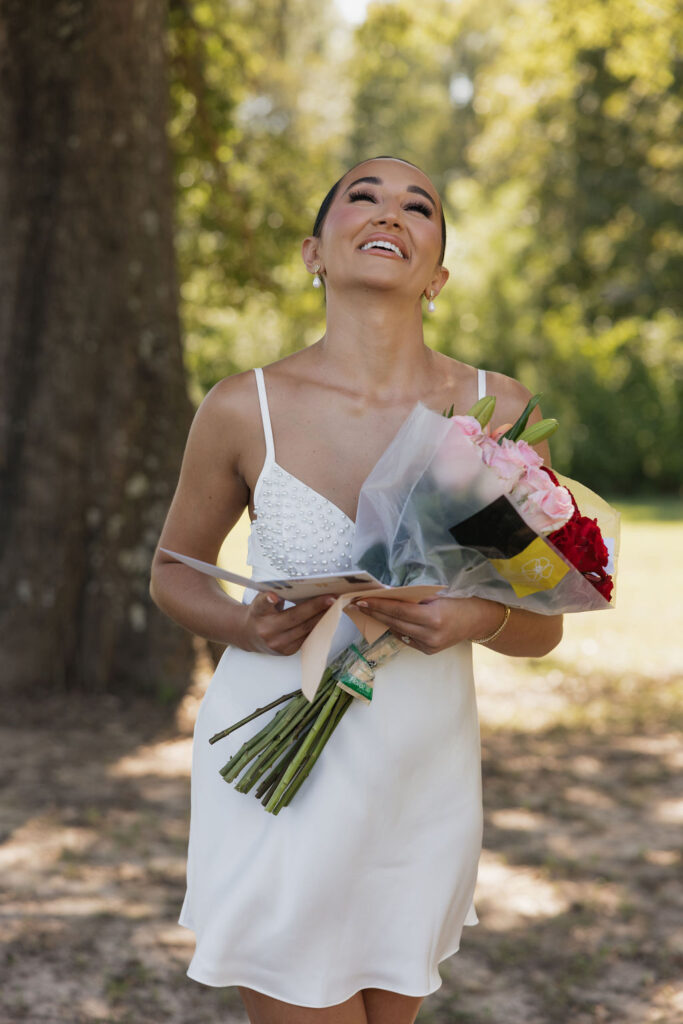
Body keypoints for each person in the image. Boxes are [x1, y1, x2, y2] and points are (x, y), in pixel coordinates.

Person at [150, 156, 563, 1024]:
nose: (391, 211)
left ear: (437, 274)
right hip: (273, 777)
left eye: (420, 206)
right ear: (315, 251)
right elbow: (171, 573)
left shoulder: (495, 415)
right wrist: (242, 623)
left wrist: (475, 615)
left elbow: (541, 628)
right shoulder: (241, 407)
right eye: (362, 196)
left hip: (419, 775)